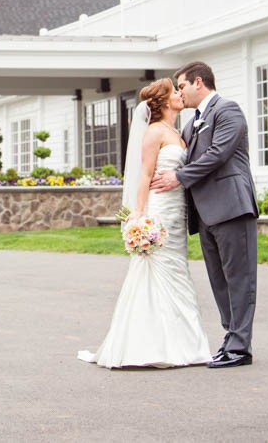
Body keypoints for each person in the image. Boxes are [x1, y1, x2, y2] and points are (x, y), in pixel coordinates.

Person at [77, 77, 211, 369]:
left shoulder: (178, 132)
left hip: (178, 209)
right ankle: (149, 344)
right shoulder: (153, 132)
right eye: (174, 91)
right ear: (162, 101)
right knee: (156, 270)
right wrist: (138, 215)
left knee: (178, 270)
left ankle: (187, 344)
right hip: (160, 208)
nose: (179, 93)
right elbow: (144, 174)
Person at [150, 61, 258, 369]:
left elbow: (218, 154)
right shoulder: (189, 124)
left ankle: (241, 348)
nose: (179, 92)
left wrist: (179, 177)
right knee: (219, 281)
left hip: (232, 207)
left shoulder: (228, 110)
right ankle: (231, 338)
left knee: (240, 278)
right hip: (205, 214)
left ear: (199, 82)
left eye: (181, 85)